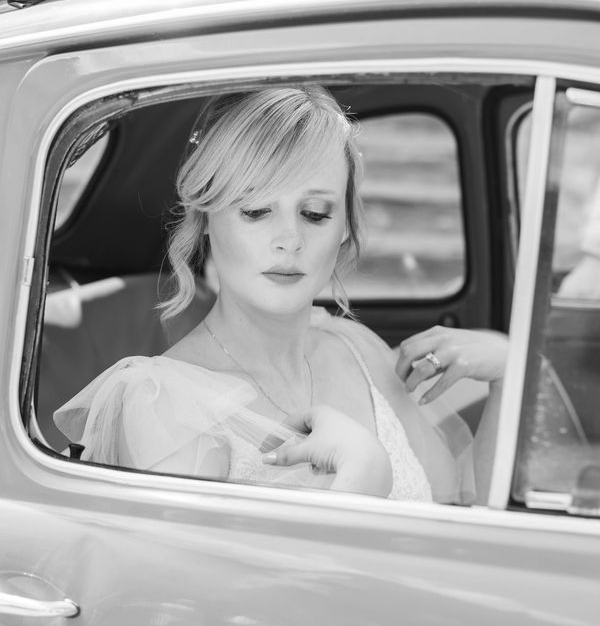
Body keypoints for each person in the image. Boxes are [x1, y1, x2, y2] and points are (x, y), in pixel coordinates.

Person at [55, 86, 506, 502]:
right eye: (256, 210)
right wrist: (361, 482)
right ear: (206, 216)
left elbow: (460, 513)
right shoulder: (166, 404)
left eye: (315, 213)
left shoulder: (359, 350)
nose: (289, 240)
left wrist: (507, 373)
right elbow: (191, 569)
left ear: (344, 225)